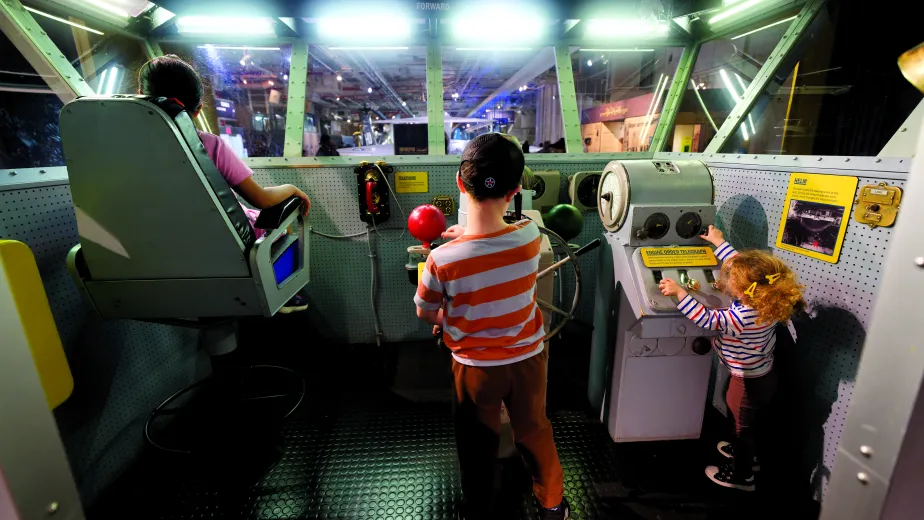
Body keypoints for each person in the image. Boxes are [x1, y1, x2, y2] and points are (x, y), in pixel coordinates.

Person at [414, 133, 569, 520]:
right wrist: (467, 238)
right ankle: (552, 504)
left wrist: (447, 317)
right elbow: (496, 244)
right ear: (516, 190)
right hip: (529, 360)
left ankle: (480, 508)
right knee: (534, 431)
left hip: (474, 368)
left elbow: (425, 312)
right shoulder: (531, 237)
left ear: (459, 183)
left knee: (477, 442)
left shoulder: (442, 260)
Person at [139, 55, 312, 312]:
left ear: (142, 97)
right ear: (197, 111)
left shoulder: (123, 151)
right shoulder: (211, 146)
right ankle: (278, 292)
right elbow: (262, 199)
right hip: (220, 248)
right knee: (279, 230)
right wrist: (293, 189)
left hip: (152, 250)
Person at [658, 225, 805, 491]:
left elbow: (709, 319)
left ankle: (742, 474)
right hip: (763, 373)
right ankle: (746, 453)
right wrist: (718, 241)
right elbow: (739, 263)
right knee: (742, 419)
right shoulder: (765, 299)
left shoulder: (744, 315)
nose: (727, 281)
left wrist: (680, 294)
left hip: (748, 381)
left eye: (732, 281)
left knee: (740, 427)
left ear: (747, 290)